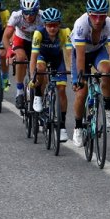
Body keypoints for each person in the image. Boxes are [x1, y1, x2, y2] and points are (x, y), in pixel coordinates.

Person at [71, 0, 110, 147]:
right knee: (81, 92)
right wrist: (80, 78)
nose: (98, 20)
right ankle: (78, 127)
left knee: (107, 72)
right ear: (88, 14)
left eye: (102, 16)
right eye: (94, 16)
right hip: (80, 53)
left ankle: (107, 108)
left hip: (97, 51)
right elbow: (80, 56)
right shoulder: (81, 24)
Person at [29, 7, 73, 142]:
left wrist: (74, 72)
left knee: (61, 89)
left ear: (59, 24)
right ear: (44, 25)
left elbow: (70, 54)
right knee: (40, 69)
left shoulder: (65, 32)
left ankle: (62, 126)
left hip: (57, 59)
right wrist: (32, 77)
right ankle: (38, 95)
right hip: (42, 57)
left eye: (55, 25)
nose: (52, 28)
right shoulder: (38, 33)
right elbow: (33, 57)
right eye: (49, 25)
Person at [3, 0, 44, 109]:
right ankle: (19, 92)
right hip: (21, 40)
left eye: (32, 13)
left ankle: (40, 97)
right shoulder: (16, 16)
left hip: (38, 42)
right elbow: (6, 36)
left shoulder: (43, 16)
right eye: (26, 13)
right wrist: (9, 50)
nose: (28, 16)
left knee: (41, 68)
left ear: (37, 10)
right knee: (20, 58)